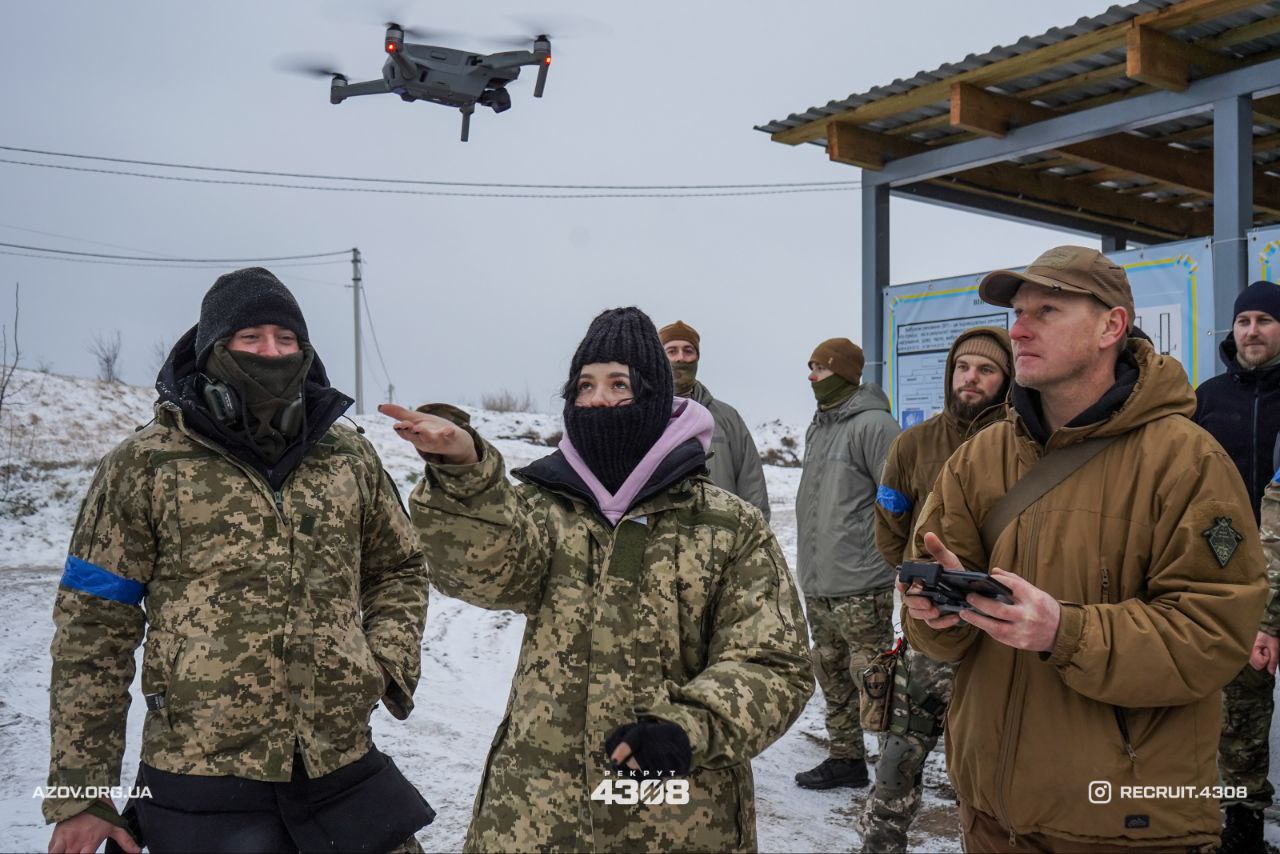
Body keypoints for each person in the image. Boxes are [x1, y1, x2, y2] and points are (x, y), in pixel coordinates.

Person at [380, 306, 812, 853]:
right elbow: (480, 577)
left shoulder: (726, 525)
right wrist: (465, 475)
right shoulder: (539, 506)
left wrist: (686, 729)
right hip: (534, 811)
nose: (600, 399)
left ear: (654, 396)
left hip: (674, 809)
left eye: (619, 384)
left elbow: (774, 663)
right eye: (585, 385)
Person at [45, 268, 432, 854]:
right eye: (250, 338)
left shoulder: (347, 455)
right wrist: (84, 791)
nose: (271, 352)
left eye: (286, 339)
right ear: (212, 350)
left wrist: (381, 665)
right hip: (199, 775)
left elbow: (398, 569)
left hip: (340, 764)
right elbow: (93, 627)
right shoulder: (145, 463)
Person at [902, 245, 1267, 852]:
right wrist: (936, 614)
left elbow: (1215, 634)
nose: (1018, 329)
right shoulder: (980, 457)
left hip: (1123, 823)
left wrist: (1064, 632)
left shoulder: (1186, 460)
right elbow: (942, 638)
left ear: (1110, 326)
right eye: (1018, 312)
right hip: (992, 815)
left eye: (1046, 310)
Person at [857, 326, 1012, 853]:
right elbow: (889, 528)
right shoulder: (912, 444)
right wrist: (921, 584)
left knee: (994, 760)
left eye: (986, 370)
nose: (971, 379)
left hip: (1000, 634)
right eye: (963, 368)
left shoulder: (1021, 443)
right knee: (901, 754)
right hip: (929, 629)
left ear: (1006, 378)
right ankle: (881, 843)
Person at [1193, 280, 1280, 852]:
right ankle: (1244, 823)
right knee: (1241, 707)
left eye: (1265, 320)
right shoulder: (1209, 397)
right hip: (1240, 572)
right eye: (1244, 319)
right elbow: (1195, 490)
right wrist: (1230, 560)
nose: (1252, 330)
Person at [793, 337, 900, 790]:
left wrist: (893, 561)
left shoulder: (875, 425)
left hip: (861, 580)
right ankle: (846, 759)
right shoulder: (819, 426)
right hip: (820, 578)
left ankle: (894, 767)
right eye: (811, 367)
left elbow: (897, 500)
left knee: (873, 677)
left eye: (819, 367)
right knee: (831, 671)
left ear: (841, 371)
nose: (812, 376)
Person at [659, 320, 770, 520]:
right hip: (661, 545)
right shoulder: (642, 417)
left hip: (720, 540)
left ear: (697, 358)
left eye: (688, 351)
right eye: (672, 351)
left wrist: (755, 539)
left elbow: (752, 485)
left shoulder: (727, 418)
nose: (681, 358)